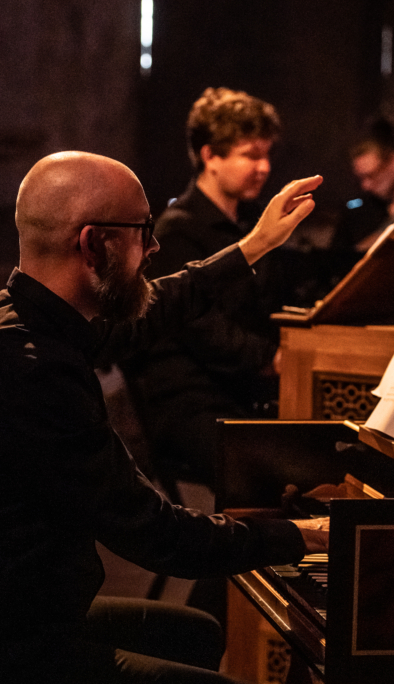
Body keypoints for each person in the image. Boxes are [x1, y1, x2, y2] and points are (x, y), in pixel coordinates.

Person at [0, 150, 326, 684]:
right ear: (93, 243)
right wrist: (304, 535)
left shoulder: (14, 314)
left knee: (196, 632)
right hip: (0, 642)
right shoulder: (31, 369)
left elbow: (151, 313)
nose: (153, 247)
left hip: (18, 607)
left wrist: (253, 247)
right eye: (142, 230)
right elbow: (159, 536)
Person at [120, 87, 286, 488]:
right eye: (250, 155)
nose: (263, 167)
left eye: (266, 154)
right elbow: (206, 333)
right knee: (281, 468)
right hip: (191, 403)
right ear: (210, 156)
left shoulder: (248, 224)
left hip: (239, 391)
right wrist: (277, 359)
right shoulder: (178, 229)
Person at [332, 116, 394, 257]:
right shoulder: (356, 210)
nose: (365, 185)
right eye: (361, 178)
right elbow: (337, 262)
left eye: (371, 175)